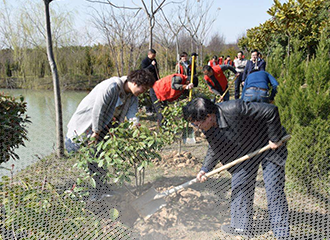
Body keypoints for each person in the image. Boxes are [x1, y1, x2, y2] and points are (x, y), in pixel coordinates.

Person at [182, 97, 290, 240]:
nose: (197, 128)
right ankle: (241, 227)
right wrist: (205, 169)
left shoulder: (234, 108)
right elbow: (214, 148)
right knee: (240, 182)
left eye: (197, 124)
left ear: (208, 116)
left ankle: (282, 234)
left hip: (271, 144)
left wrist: (275, 138)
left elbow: (270, 111)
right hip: (248, 148)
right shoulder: (208, 127)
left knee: (273, 188)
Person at [65, 69, 155, 201]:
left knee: (100, 159)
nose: (144, 91)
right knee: (91, 160)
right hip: (85, 128)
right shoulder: (111, 87)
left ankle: (102, 190)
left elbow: (132, 116)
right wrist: (96, 132)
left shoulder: (131, 97)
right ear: (135, 82)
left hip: (102, 130)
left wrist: (136, 131)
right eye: (144, 88)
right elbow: (98, 111)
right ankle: (93, 194)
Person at [141, 49, 159, 114]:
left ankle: (155, 108)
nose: (154, 56)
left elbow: (156, 70)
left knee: (154, 94)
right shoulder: (144, 61)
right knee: (148, 95)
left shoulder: (154, 60)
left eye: (155, 55)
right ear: (149, 54)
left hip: (154, 80)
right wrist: (151, 65)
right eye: (153, 55)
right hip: (147, 80)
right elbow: (144, 70)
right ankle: (148, 109)